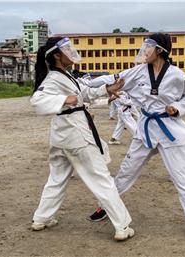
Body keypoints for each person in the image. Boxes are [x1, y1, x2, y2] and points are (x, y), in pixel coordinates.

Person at [86, 33, 185, 241]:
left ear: (160, 50)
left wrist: (178, 107)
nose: (144, 51)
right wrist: (84, 83)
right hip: (145, 129)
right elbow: (114, 78)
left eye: (148, 48)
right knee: (126, 171)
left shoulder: (176, 75)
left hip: (170, 130)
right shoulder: (139, 71)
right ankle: (107, 206)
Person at [29, 37, 134, 241]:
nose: (71, 51)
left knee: (57, 177)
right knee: (101, 178)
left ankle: (42, 218)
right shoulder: (53, 79)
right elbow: (37, 101)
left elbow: (84, 92)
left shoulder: (64, 76)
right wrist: (62, 99)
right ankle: (122, 226)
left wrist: (107, 89)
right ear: (57, 55)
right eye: (66, 49)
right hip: (75, 133)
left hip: (63, 134)